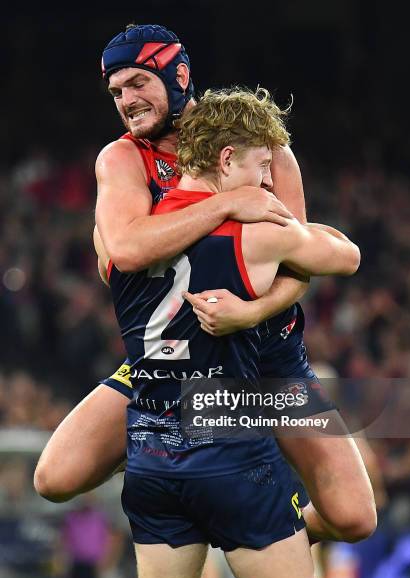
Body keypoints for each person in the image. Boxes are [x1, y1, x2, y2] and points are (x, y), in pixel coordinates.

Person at [34, 24, 376, 546]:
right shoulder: (122, 158)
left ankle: (265, 516)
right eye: (117, 92)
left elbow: (298, 265)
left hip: (266, 362)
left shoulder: (270, 153)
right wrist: (226, 204)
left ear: (180, 75)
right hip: (171, 364)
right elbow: (125, 252)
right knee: (54, 479)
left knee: (355, 518)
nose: (126, 101)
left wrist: (252, 314)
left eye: (137, 84)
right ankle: (174, 461)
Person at [95, 84, 360, 578]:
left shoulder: (123, 239)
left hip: (151, 456)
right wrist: (272, 228)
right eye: (263, 165)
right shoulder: (255, 234)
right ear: (226, 158)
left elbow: (125, 253)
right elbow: (346, 256)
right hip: (230, 447)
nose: (267, 181)